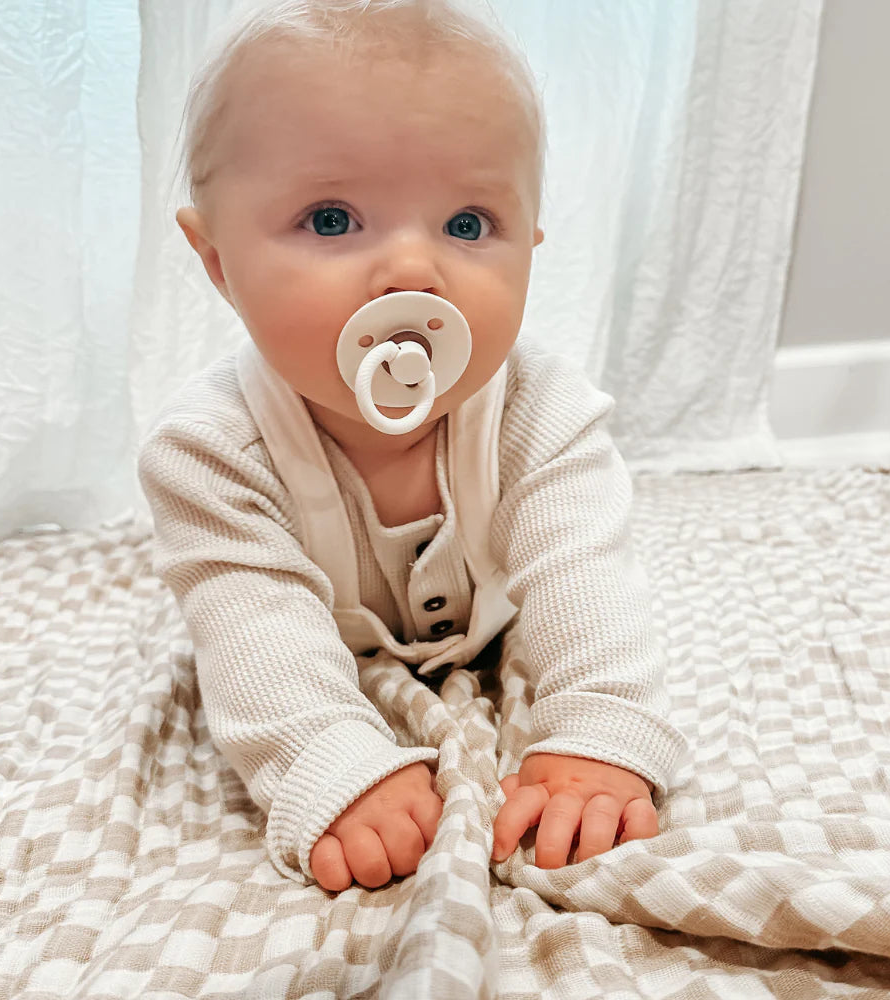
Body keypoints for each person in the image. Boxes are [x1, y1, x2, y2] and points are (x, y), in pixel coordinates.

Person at [138, 0, 687, 893]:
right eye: (331, 219)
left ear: (531, 246)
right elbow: (254, 627)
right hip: (319, 656)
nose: (411, 272)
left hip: (495, 627)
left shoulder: (537, 406)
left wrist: (599, 732)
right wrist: (329, 757)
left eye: (468, 225)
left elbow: (584, 574)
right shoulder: (209, 451)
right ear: (218, 262)